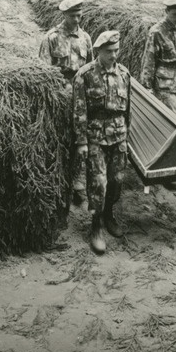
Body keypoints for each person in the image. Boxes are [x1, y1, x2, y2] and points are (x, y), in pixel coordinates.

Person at [73, 31, 132, 255]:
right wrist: (81, 142)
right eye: (109, 52)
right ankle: (96, 225)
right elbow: (79, 111)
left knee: (116, 179)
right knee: (98, 183)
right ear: (98, 51)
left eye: (116, 51)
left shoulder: (124, 74)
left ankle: (109, 214)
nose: (114, 55)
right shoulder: (85, 75)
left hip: (118, 136)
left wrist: (127, 136)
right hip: (95, 136)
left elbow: (128, 110)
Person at [39, 0, 94, 218]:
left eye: (79, 14)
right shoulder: (51, 38)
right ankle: (60, 183)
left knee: (80, 137)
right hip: (60, 95)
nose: (76, 19)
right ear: (64, 15)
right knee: (61, 138)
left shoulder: (86, 38)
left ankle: (78, 182)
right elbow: (43, 72)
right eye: (72, 15)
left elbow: (90, 67)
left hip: (80, 98)